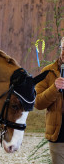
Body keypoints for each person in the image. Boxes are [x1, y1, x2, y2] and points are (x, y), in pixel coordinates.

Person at [35, 36, 64, 164]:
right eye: (63, 48)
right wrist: (54, 88)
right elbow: (37, 102)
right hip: (58, 137)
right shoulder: (48, 72)